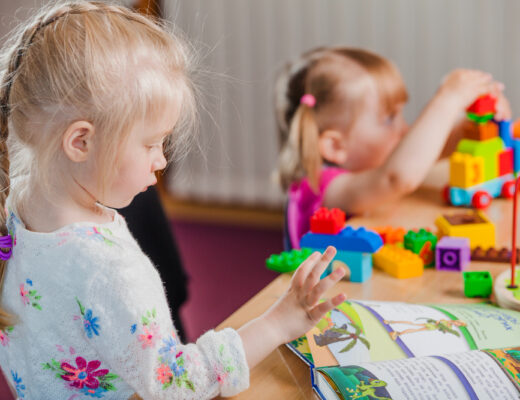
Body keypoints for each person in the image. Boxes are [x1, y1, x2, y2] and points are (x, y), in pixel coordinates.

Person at [0, 2, 346, 399]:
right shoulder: (107, 267)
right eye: (150, 143)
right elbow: (174, 384)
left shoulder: (12, 202)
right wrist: (277, 323)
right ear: (81, 141)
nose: (161, 160)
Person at [275, 47, 510, 249]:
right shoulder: (321, 187)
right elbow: (398, 177)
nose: (403, 129)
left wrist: (478, 123)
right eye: (389, 118)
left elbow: (428, 152)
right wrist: (447, 100)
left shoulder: (366, 164)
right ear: (335, 146)